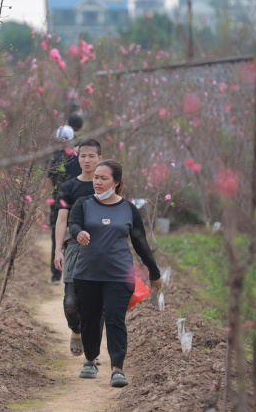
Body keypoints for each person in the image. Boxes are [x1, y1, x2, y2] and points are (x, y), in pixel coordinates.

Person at [68, 159, 162, 388]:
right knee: (90, 319)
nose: (97, 182)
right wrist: (79, 233)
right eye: (96, 178)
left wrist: (154, 271)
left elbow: (141, 244)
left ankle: (117, 368)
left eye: (103, 178)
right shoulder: (83, 203)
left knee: (114, 318)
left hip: (119, 275)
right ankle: (90, 360)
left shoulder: (128, 209)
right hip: (86, 274)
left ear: (116, 182)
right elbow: (73, 224)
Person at [52, 139, 102, 358]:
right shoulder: (68, 187)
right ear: (77, 158)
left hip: (101, 248)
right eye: (83, 156)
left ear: (100, 158)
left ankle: (92, 352)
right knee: (72, 302)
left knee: (97, 302)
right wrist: (58, 250)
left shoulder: (107, 185)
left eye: (92, 156)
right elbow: (61, 220)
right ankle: (76, 329)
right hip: (73, 247)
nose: (87, 160)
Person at [45, 124, 81, 284]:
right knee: (78, 235)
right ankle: (76, 273)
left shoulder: (52, 158)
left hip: (57, 200)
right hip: (76, 201)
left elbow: (47, 178)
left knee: (56, 236)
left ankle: (55, 275)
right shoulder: (78, 158)